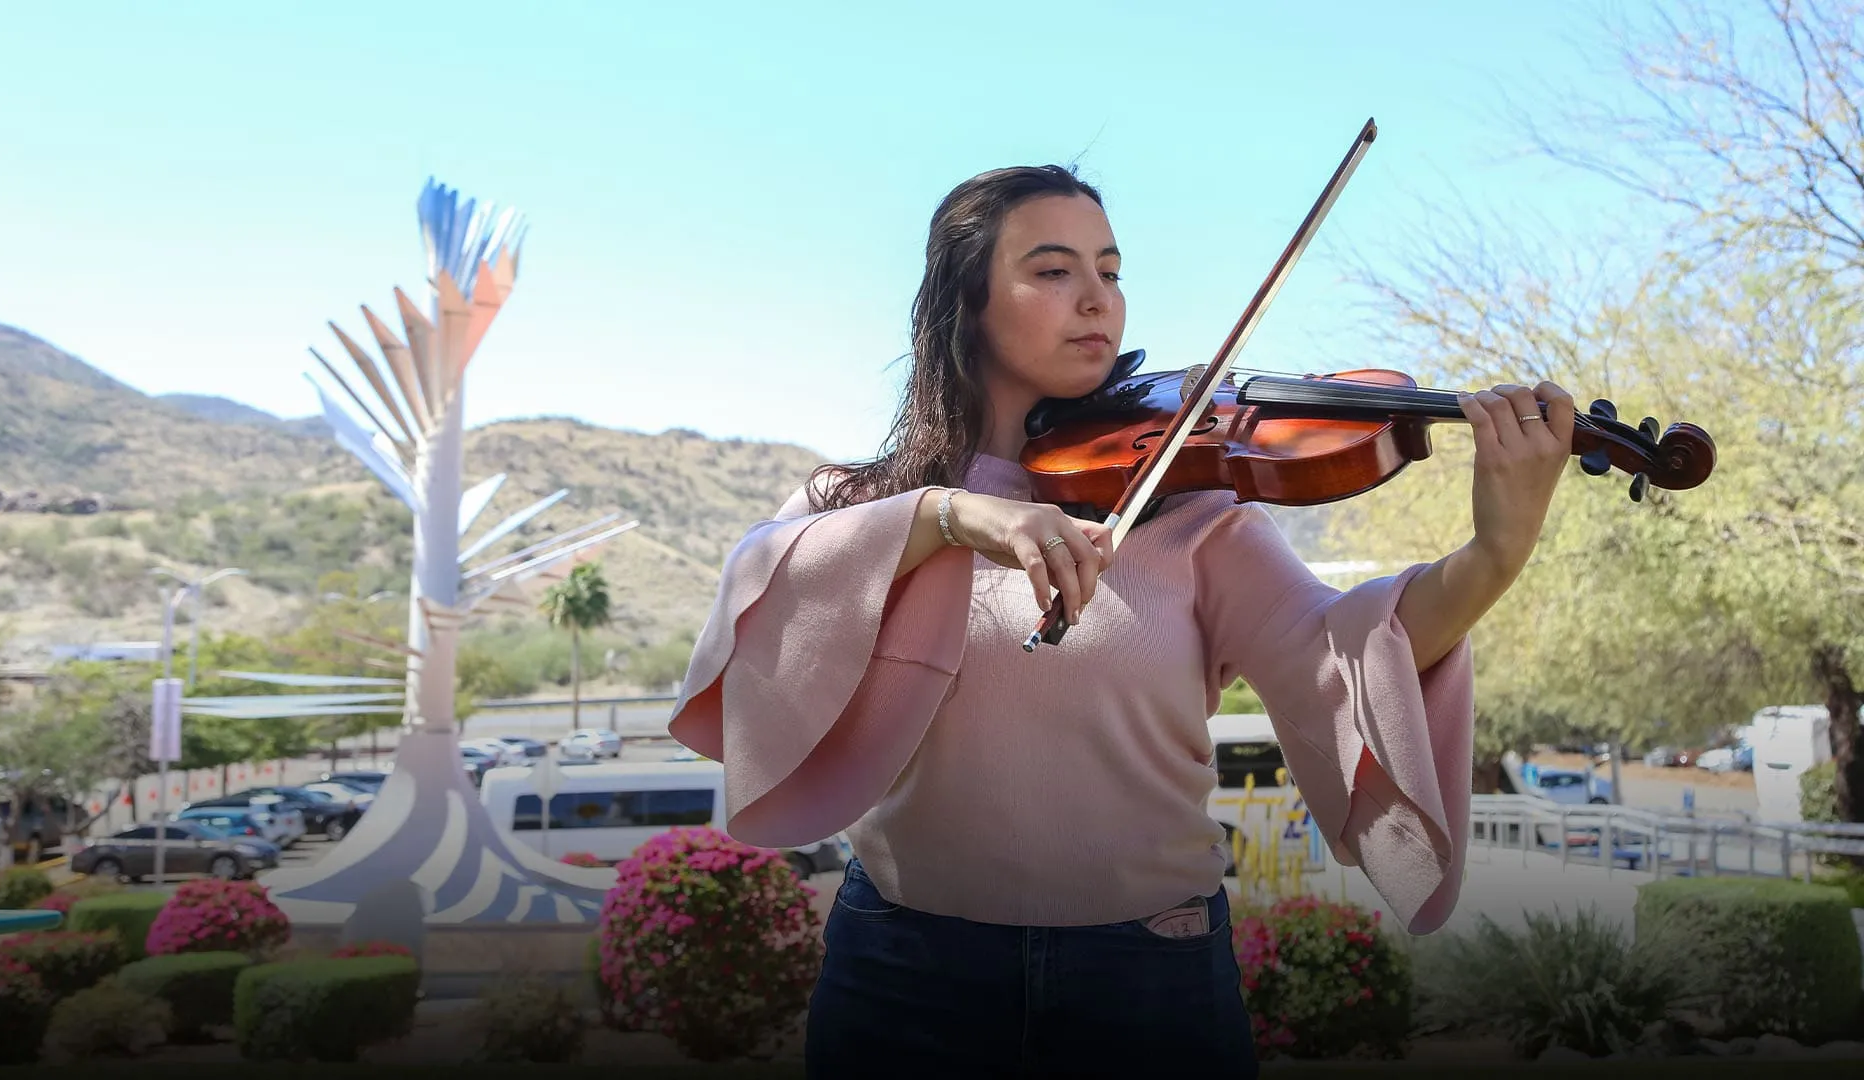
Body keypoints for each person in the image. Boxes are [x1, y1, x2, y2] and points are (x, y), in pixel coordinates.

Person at [667, 164, 1575, 1077]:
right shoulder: (862, 506)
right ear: (966, 300)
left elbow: (1349, 653)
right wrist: (950, 515)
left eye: (1111, 270)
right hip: (907, 964)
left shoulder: (1193, 513)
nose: (1097, 299)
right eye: (1054, 271)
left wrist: (1496, 551)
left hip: (1150, 966)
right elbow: (765, 587)